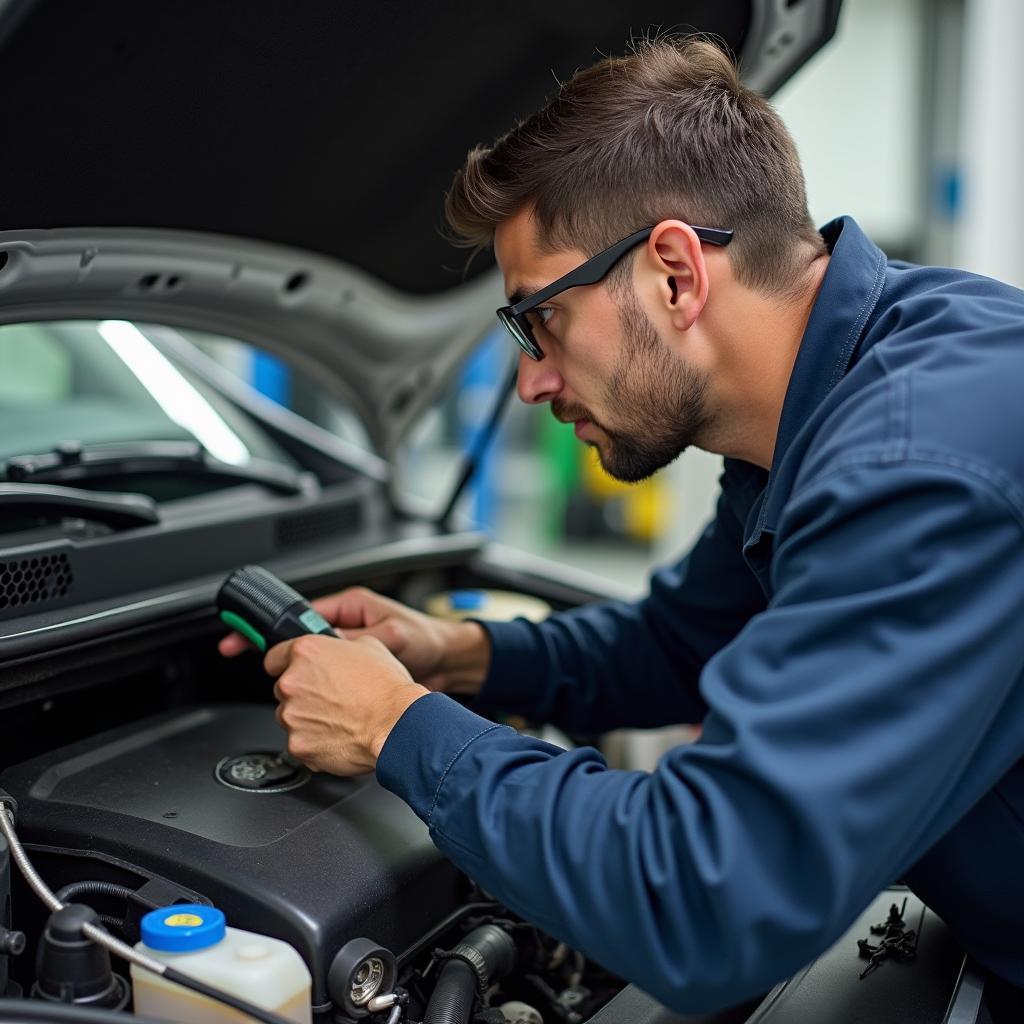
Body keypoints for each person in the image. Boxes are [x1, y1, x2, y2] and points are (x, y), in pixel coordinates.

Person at [220, 38, 1024, 1016]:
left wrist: (397, 726)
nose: (529, 380)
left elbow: (706, 899)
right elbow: (688, 637)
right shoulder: (823, 398)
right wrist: (454, 655)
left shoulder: (914, 460)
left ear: (676, 274)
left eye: (539, 320)